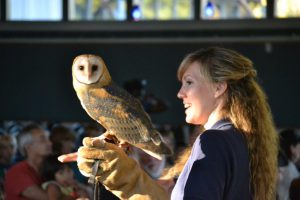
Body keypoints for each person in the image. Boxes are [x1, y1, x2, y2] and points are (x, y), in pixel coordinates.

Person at [60, 47, 279, 200]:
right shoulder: (238, 139)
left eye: (189, 83)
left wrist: (123, 175)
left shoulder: (214, 141)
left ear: (219, 87)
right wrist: (120, 173)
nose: (180, 93)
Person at [4, 123, 52, 199]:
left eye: (48, 139)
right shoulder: (16, 172)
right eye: (42, 140)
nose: (50, 143)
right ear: (28, 146)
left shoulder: (46, 169)